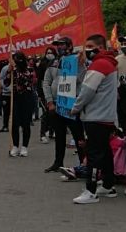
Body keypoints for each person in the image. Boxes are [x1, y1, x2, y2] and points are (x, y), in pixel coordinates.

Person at [70, 34, 120, 204]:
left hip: (95, 116)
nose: (87, 49)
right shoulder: (109, 63)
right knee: (104, 152)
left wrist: (75, 108)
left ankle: (90, 190)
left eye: (90, 46)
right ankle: (108, 185)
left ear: (100, 47)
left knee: (93, 155)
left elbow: (87, 91)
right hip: (106, 116)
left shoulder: (99, 65)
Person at [43, 37, 87, 173]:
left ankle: (84, 163)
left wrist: (79, 64)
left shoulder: (78, 60)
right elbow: (46, 82)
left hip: (72, 103)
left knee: (78, 135)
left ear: (69, 45)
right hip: (57, 104)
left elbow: (81, 79)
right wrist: (49, 101)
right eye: (58, 45)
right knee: (59, 135)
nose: (59, 47)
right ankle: (58, 162)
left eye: (62, 45)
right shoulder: (53, 62)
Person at [9, 52, 35, 157]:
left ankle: (24, 146)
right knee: (15, 123)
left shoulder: (29, 69)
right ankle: (15, 146)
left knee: (25, 124)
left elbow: (24, 80)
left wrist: (15, 69)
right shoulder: (12, 70)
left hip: (27, 98)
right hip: (15, 99)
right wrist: (9, 71)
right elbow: (6, 82)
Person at [36, 47, 57, 144]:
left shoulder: (58, 62)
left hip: (56, 91)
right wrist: (40, 93)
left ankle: (52, 131)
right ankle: (42, 134)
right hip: (45, 91)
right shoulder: (42, 64)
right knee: (47, 113)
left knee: (55, 114)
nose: (49, 54)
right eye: (47, 52)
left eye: (51, 52)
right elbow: (40, 80)